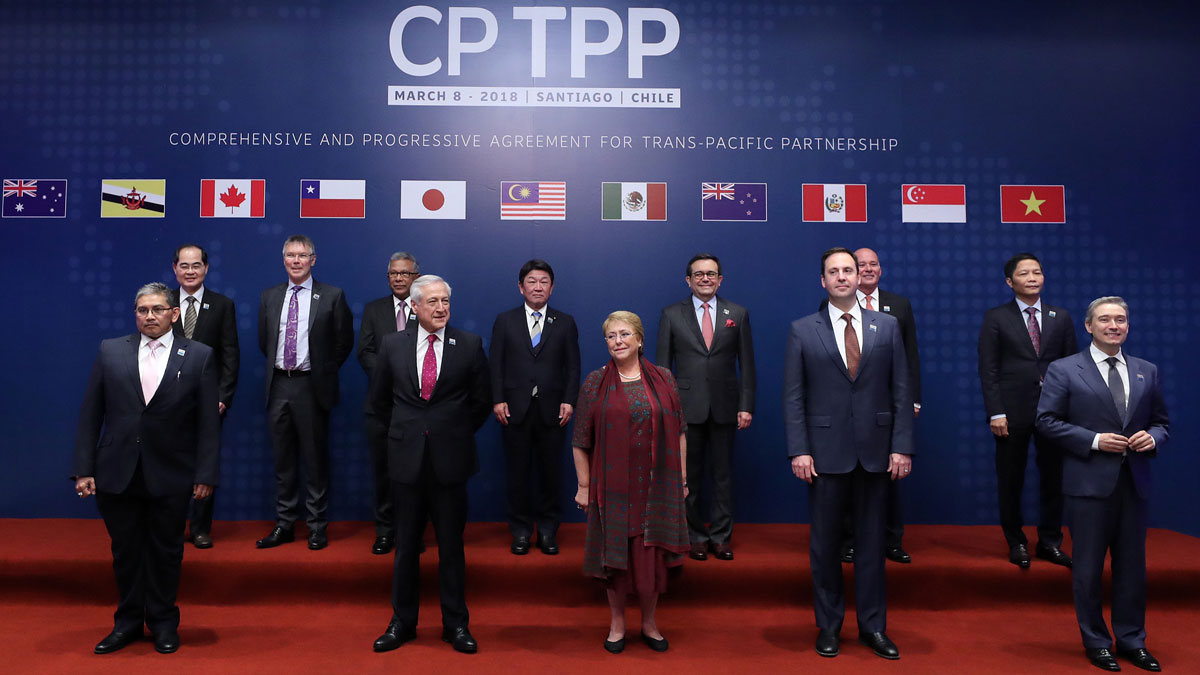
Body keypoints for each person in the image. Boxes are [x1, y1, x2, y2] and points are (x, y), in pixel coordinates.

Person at [73, 282, 221, 654]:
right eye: (142, 310)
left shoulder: (199, 356)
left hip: (172, 472)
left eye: (157, 309)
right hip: (116, 472)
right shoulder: (110, 350)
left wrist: (205, 475)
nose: (149, 316)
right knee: (125, 553)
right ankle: (126, 624)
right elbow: (91, 413)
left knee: (166, 553)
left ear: (174, 313)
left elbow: (208, 423)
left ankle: (163, 622)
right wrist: (84, 468)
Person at [783, 247, 913, 660]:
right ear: (822, 281)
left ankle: (874, 628)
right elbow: (794, 397)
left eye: (848, 270)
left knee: (872, 546)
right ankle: (829, 626)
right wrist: (799, 450)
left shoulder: (887, 326)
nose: (842, 277)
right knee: (825, 547)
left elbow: (901, 390)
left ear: (860, 277)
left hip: (877, 453)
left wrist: (901, 446)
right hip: (823, 455)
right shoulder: (803, 329)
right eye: (833, 272)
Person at [1037, 297, 1168, 673]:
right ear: (1089, 326)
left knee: (1132, 568)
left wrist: (1153, 438)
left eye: (1121, 320)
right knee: (1088, 569)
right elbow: (1045, 421)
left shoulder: (1146, 370)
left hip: (1133, 484)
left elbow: (1161, 423)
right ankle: (1096, 641)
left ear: (1128, 326)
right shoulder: (1064, 369)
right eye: (1106, 319)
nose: (1114, 326)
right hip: (1088, 484)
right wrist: (1093, 440)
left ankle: (1132, 640)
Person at [369, 275, 491, 655]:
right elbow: (379, 403)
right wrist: (406, 434)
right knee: (406, 547)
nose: (441, 308)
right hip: (406, 461)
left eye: (445, 302)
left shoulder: (469, 344)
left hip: (450, 461)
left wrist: (451, 432)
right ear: (415, 306)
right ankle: (402, 623)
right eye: (433, 302)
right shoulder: (392, 345)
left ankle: (456, 625)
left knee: (451, 547)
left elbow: (481, 401)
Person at [572, 311, 689, 654]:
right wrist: (583, 487)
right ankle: (617, 624)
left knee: (651, 558)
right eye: (611, 336)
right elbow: (580, 441)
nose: (617, 341)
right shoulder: (595, 382)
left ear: (639, 339)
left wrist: (682, 479)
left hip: (656, 486)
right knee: (615, 559)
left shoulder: (664, 378)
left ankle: (649, 623)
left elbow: (680, 433)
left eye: (624, 334)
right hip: (612, 489)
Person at [978, 252, 1076, 568]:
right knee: (1011, 479)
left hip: (1054, 412)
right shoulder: (996, 317)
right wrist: (996, 412)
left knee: (1054, 478)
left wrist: (1070, 409)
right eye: (1024, 273)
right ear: (1010, 281)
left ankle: (1050, 541)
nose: (1032, 278)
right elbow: (988, 369)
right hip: (1011, 411)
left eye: (1037, 272)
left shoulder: (1060, 317)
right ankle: (1016, 541)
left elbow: (1073, 366)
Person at [256, 235, 353, 550]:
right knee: (283, 461)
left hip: (312, 385)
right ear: (283, 259)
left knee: (314, 460)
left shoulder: (332, 296)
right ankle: (284, 524)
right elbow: (264, 341)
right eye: (290, 255)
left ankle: (316, 526)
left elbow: (343, 342)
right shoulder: (269, 296)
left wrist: (321, 369)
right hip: (278, 383)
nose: (296, 261)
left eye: (302, 255)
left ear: (313, 260)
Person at [656, 253, 755, 561]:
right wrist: (666, 408)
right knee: (690, 476)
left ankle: (721, 537)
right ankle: (695, 536)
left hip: (726, 406)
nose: (705, 279)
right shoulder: (671, 314)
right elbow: (662, 367)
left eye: (711, 274)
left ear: (720, 280)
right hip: (686, 408)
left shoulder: (737, 313)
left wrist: (746, 405)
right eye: (699, 274)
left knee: (724, 477)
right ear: (688, 280)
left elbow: (747, 365)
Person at [490, 259, 581, 556]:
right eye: (532, 281)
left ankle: (547, 531)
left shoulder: (565, 322)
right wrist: (498, 399)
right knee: (517, 475)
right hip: (514, 409)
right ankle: (519, 531)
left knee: (550, 474)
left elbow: (573, 366)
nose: (538, 287)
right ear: (521, 287)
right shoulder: (505, 320)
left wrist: (569, 400)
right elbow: (496, 364)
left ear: (552, 288)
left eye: (544, 282)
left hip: (553, 410)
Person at [840, 247, 919, 564]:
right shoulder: (837, 304)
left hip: (888, 406)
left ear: (881, 269)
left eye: (874, 264)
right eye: (861, 265)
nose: (868, 269)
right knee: (848, 474)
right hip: (848, 407)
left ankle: (891, 540)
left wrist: (913, 399)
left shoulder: (899, 305)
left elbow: (910, 356)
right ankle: (849, 541)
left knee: (889, 475)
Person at [171, 243, 239, 549]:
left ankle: (200, 528)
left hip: (208, 403)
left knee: (204, 464)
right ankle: (171, 525)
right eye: (184, 265)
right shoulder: (162, 302)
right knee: (168, 464)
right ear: (175, 268)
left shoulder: (222, 305)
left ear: (206, 268)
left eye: (196, 265)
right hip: (165, 401)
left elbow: (230, 355)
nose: (190, 271)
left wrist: (223, 397)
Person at [358, 251, 420, 555]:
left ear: (416, 277)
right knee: (383, 472)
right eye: (393, 273)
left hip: (417, 407)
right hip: (381, 406)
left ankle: (413, 532)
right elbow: (365, 351)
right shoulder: (374, 309)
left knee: (415, 474)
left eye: (404, 273)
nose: (398, 278)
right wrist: (390, 374)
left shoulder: (425, 307)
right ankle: (384, 531)